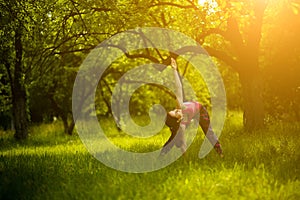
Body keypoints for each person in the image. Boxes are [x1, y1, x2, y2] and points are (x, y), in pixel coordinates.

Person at [160, 58, 223, 157]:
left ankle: (220, 152)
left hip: (200, 111)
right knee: (177, 136)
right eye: (176, 113)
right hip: (186, 119)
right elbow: (184, 143)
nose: (176, 109)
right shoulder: (181, 125)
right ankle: (163, 153)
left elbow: (178, 87)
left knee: (208, 132)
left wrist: (174, 70)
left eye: (173, 110)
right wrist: (184, 156)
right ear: (178, 119)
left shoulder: (179, 106)